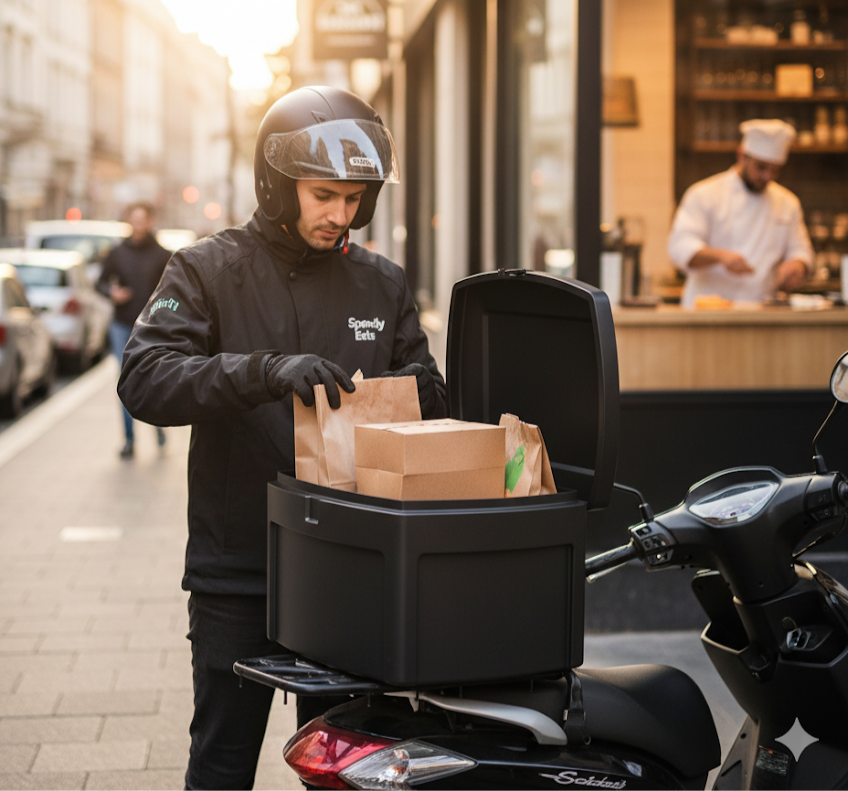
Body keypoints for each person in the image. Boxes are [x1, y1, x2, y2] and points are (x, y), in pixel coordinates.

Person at [117, 86, 447, 791]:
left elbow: (427, 396)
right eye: (324, 194)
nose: (341, 214)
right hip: (239, 572)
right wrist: (264, 372)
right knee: (222, 765)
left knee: (352, 775)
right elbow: (144, 379)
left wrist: (428, 391)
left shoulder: (381, 283)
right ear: (277, 184)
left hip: (352, 572)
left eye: (355, 198)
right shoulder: (207, 268)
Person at [667, 118, 814, 307]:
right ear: (741, 156)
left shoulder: (788, 203)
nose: (767, 176)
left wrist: (797, 264)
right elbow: (679, 247)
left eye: (775, 170)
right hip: (706, 312)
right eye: (761, 167)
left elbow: (801, 250)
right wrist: (721, 257)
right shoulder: (704, 194)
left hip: (761, 310)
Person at [97, 202, 171, 458]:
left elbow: (173, 290)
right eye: (134, 219)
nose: (138, 224)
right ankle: (129, 440)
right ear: (129, 221)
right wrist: (112, 292)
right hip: (122, 325)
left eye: (143, 219)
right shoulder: (117, 252)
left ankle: (159, 426)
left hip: (152, 326)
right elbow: (100, 283)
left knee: (154, 378)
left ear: (150, 221)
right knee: (125, 381)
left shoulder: (163, 254)